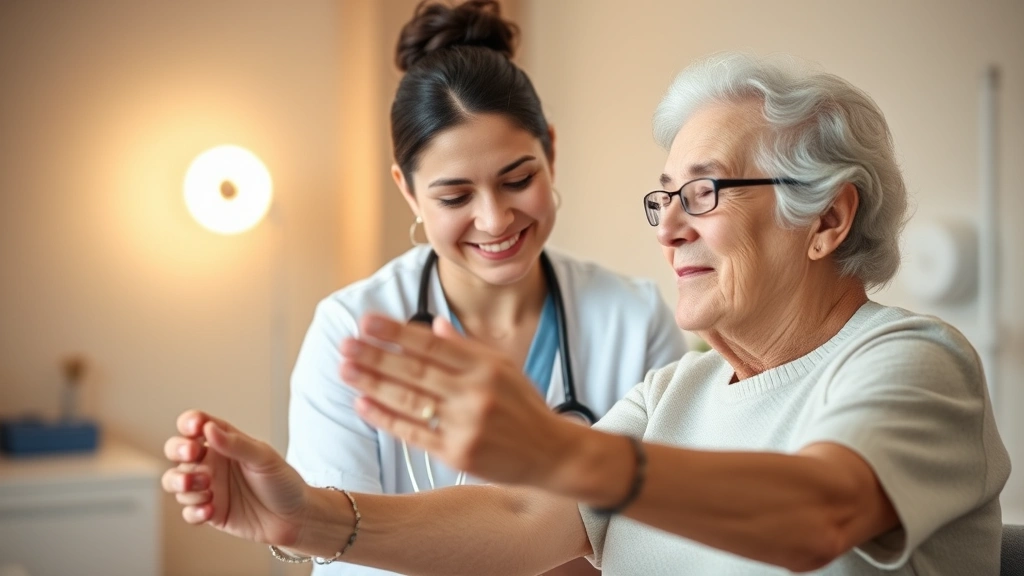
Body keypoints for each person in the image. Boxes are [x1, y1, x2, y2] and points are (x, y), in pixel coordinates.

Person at [163, 52, 1010, 575]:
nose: (669, 225)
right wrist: (308, 518)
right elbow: (524, 516)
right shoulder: (678, 389)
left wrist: (563, 450)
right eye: (664, 197)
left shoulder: (912, 361)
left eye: (704, 192)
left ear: (826, 219)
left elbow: (818, 515)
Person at [281, 1, 685, 575]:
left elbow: (675, 534)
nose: (495, 220)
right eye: (455, 197)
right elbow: (344, 557)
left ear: (551, 150)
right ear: (408, 190)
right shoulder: (350, 329)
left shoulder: (633, 317)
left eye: (517, 180)